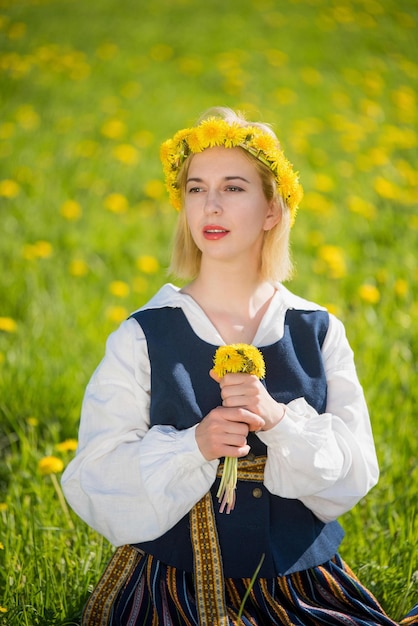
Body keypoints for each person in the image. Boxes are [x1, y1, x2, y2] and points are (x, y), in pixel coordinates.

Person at [62, 107, 418, 626]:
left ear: (272, 209)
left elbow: (354, 471)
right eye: (195, 189)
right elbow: (93, 475)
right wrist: (194, 446)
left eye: (233, 188)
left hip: (297, 580)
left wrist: (278, 420)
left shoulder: (317, 330)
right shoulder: (144, 334)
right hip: (174, 583)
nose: (211, 204)